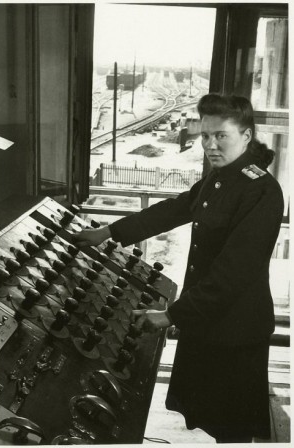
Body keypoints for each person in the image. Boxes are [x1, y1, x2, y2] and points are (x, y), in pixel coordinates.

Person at [74, 93, 284, 443]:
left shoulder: (260, 190)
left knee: (233, 424)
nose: (210, 145)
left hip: (236, 328)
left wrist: (173, 315)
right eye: (205, 136)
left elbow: (233, 272)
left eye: (221, 136)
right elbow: (174, 209)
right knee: (210, 411)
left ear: (246, 136)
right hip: (210, 320)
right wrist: (110, 231)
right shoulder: (219, 180)